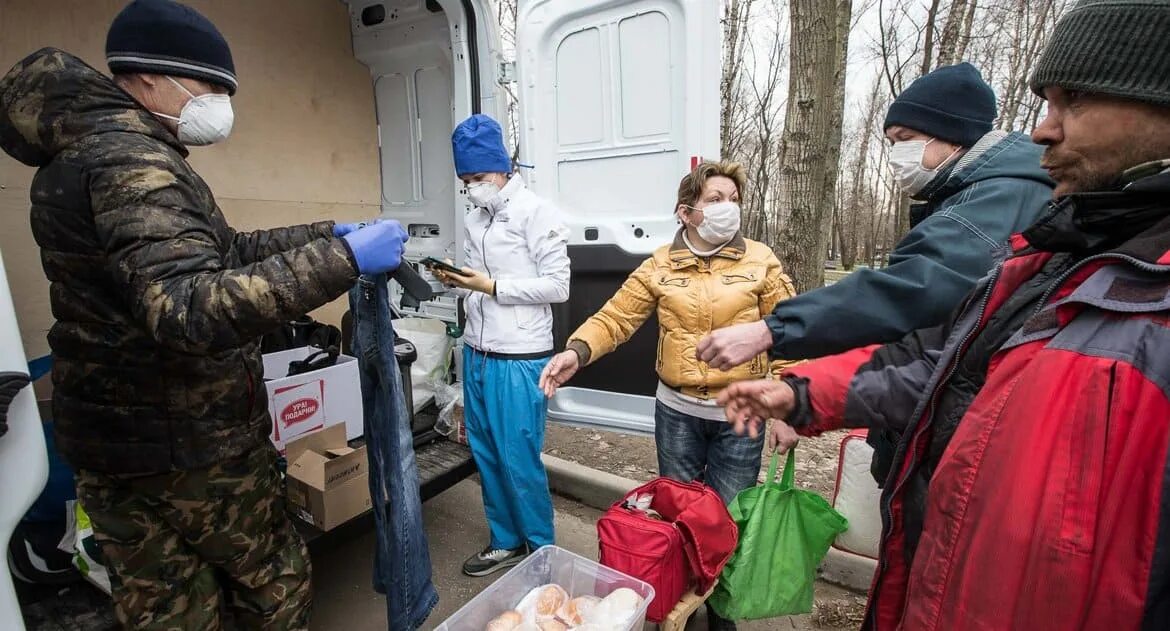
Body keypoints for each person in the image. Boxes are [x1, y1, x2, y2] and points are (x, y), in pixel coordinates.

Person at [720, 1, 1170, 628]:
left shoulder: (1004, 207)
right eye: (1045, 103)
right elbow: (950, 362)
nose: (1044, 129)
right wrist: (802, 392)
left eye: (1076, 102)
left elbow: (910, 289)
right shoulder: (1060, 250)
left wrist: (776, 328)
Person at [0, 1, 408, 628]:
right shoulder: (130, 161)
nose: (222, 103)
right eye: (212, 85)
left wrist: (329, 233)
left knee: (168, 607)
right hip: (186, 446)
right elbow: (188, 309)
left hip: (121, 440)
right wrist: (344, 257)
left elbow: (226, 251)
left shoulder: (93, 152)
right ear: (145, 77)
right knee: (272, 586)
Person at [539, 160, 795, 630]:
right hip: (677, 412)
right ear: (686, 212)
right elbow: (615, 318)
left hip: (741, 415)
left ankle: (721, 616)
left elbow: (789, 331)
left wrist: (788, 399)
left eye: (733, 200)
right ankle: (679, 608)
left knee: (727, 521)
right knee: (678, 519)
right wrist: (577, 351)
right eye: (715, 200)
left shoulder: (761, 260)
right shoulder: (660, 264)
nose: (728, 209)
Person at [697, 63, 1051, 375]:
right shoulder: (976, 192)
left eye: (906, 139)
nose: (898, 154)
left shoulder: (996, 199)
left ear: (954, 136)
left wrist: (773, 331)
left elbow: (913, 288)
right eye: (892, 142)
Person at [427, 114, 570, 578]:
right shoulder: (474, 218)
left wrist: (492, 285)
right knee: (485, 451)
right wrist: (454, 282)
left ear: (503, 168)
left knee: (518, 456)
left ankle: (542, 550)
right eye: (465, 180)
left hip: (520, 355)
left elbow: (558, 285)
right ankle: (504, 540)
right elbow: (476, 284)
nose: (473, 187)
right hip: (478, 352)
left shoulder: (536, 211)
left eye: (480, 177)